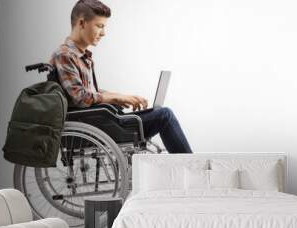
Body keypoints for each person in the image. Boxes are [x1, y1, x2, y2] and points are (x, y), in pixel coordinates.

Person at [50, 0, 192, 153]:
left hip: (98, 121)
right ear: (82, 23)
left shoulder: (81, 56)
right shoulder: (65, 55)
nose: (103, 33)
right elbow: (80, 97)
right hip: (92, 125)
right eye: (100, 26)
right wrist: (117, 99)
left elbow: (90, 92)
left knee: (160, 113)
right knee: (165, 115)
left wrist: (123, 96)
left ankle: (189, 166)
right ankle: (192, 167)